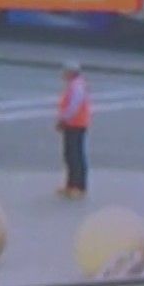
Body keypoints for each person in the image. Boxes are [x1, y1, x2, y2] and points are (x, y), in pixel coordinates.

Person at [56, 59, 91, 198]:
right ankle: (71, 185)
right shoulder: (74, 85)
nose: (63, 74)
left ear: (71, 72)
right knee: (70, 155)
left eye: (64, 72)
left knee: (75, 155)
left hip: (76, 124)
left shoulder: (77, 86)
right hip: (74, 124)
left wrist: (63, 119)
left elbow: (73, 106)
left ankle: (78, 186)